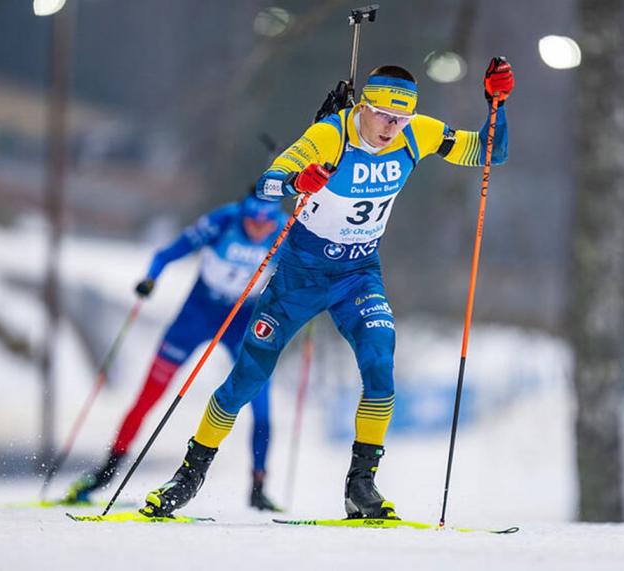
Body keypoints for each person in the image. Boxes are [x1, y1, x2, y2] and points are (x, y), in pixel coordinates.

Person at [142, 57, 514, 520]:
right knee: (247, 379)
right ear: (364, 107)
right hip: (300, 277)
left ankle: (361, 485)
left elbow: (488, 152)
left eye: (402, 119)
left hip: (358, 274)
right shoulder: (330, 135)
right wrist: (297, 180)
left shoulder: (417, 133)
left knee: (380, 363)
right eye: (384, 116)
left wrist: (497, 105)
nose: (392, 128)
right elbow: (267, 184)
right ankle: (188, 476)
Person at [64, 192, 288, 511]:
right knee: (148, 396)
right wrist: (150, 280)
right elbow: (165, 255)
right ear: (243, 214)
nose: (258, 229)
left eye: (265, 224)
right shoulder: (222, 220)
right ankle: (105, 474)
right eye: (252, 221)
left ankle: (259, 486)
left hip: (241, 319)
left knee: (261, 403)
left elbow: (305, 271)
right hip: (197, 314)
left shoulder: (285, 229)